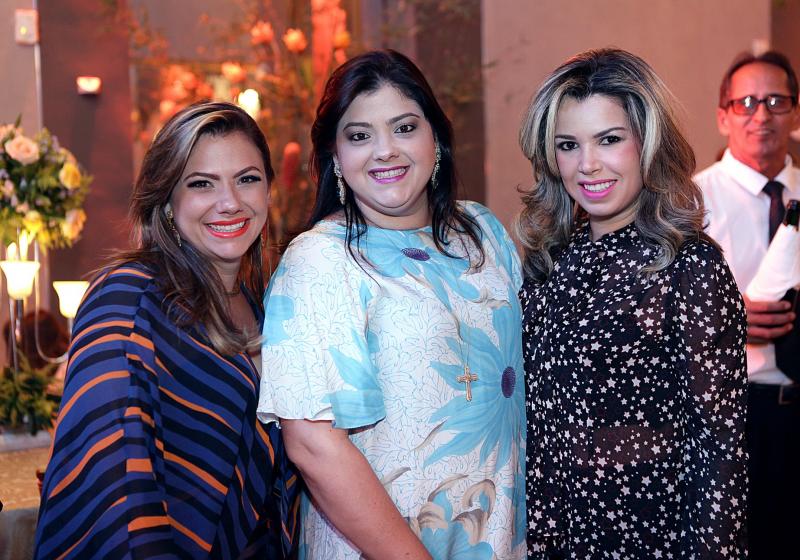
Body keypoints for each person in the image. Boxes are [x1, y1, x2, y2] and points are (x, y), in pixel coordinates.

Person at [257, 49, 526, 559]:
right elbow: (314, 445)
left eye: (404, 128)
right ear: (335, 156)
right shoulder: (321, 260)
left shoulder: (483, 232)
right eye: (360, 136)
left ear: (435, 138)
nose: (385, 151)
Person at [34, 102, 298, 559]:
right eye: (201, 184)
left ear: (268, 190)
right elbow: (114, 477)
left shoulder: (264, 304)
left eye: (247, 179)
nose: (230, 201)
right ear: (167, 201)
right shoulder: (128, 296)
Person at [516, 48, 747, 558]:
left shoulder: (690, 265)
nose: (587, 164)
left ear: (648, 143)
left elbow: (719, 443)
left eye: (610, 139)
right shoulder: (552, 259)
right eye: (568, 145)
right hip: (553, 533)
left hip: (647, 537)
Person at [694, 50, 800, 559]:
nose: (762, 115)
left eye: (776, 101)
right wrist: (726, 318)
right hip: (733, 415)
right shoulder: (688, 204)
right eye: (746, 103)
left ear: (795, 113)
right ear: (723, 116)